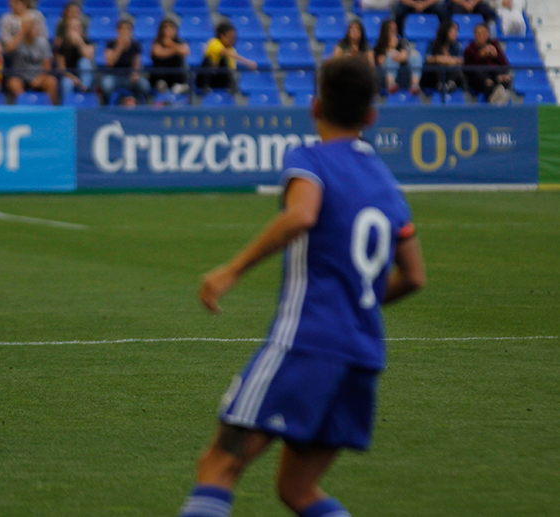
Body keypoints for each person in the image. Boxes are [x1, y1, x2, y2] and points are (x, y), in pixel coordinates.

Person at [177, 55, 426, 517]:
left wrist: (230, 270)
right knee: (297, 488)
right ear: (371, 116)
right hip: (362, 356)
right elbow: (414, 275)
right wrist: (360, 302)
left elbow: (302, 215)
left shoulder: (309, 158)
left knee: (217, 466)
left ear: (314, 107)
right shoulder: (388, 186)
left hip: (308, 345)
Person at [6, 16, 59, 104]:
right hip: (20, 76)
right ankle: (25, 105)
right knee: (13, 83)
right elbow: (9, 48)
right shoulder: (18, 41)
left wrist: (40, 78)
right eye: (30, 27)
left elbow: (47, 65)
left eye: (35, 27)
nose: (34, 30)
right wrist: (22, 33)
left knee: (52, 81)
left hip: (38, 75)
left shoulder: (43, 42)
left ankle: (52, 109)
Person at [102, 19, 152, 105]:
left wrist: (135, 73)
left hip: (129, 77)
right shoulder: (111, 44)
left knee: (145, 85)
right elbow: (109, 63)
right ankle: (107, 107)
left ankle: (144, 106)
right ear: (117, 31)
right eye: (122, 29)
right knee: (107, 84)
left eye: (128, 29)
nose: (125, 31)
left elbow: (137, 63)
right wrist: (120, 47)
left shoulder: (135, 45)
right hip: (114, 76)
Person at [196, 22, 257, 92]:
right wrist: (247, 62)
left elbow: (231, 68)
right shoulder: (214, 43)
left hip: (221, 79)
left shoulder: (232, 50)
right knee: (210, 61)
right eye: (230, 37)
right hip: (209, 78)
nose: (232, 40)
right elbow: (224, 52)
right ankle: (205, 88)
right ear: (222, 35)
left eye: (234, 38)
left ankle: (230, 89)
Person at [463, 23, 511, 104]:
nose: (481, 36)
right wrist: (480, 55)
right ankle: (495, 97)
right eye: (478, 34)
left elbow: (505, 65)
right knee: (484, 78)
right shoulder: (470, 49)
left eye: (484, 33)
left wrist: (496, 55)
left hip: (494, 74)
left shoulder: (494, 45)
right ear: (475, 35)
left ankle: (500, 95)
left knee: (504, 77)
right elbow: (468, 68)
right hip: (478, 77)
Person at [374, 18, 421, 94]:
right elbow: (381, 62)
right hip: (384, 75)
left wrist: (399, 57)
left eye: (395, 29)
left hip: (402, 72)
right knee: (392, 53)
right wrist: (391, 48)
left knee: (415, 55)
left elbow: (404, 54)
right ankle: (391, 85)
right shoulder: (379, 46)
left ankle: (415, 85)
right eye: (390, 29)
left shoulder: (401, 42)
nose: (393, 32)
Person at [419, 19, 465, 93]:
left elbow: (461, 60)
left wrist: (450, 60)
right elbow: (428, 58)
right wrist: (439, 59)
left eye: (457, 31)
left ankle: (451, 83)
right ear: (446, 31)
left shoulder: (456, 46)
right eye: (453, 31)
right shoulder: (433, 44)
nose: (456, 33)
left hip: (451, 72)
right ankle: (441, 84)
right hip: (433, 77)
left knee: (455, 67)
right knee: (438, 65)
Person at [54, 17, 95, 96]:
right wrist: (73, 78)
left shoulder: (87, 42)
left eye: (77, 27)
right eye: (72, 28)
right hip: (69, 76)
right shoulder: (62, 45)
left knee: (84, 62)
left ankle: (84, 93)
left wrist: (80, 43)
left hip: (84, 76)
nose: (75, 31)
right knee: (67, 83)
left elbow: (89, 57)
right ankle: (67, 105)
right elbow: (61, 69)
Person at [150, 19, 190, 95]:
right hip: (161, 76)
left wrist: (170, 44)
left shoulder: (179, 41)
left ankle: (179, 85)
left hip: (176, 76)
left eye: (171, 27)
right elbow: (157, 53)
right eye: (166, 27)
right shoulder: (157, 42)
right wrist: (175, 50)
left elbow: (185, 51)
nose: (168, 30)